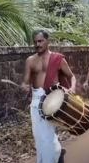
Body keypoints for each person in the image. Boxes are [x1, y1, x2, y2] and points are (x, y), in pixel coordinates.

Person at [21, 30, 77, 163]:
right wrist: (24, 86)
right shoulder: (30, 61)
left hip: (52, 101)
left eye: (40, 41)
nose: (37, 44)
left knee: (47, 136)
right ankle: (57, 154)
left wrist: (72, 88)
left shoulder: (58, 59)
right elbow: (26, 80)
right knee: (39, 137)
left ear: (47, 41)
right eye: (35, 42)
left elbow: (71, 76)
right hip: (36, 102)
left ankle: (52, 157)